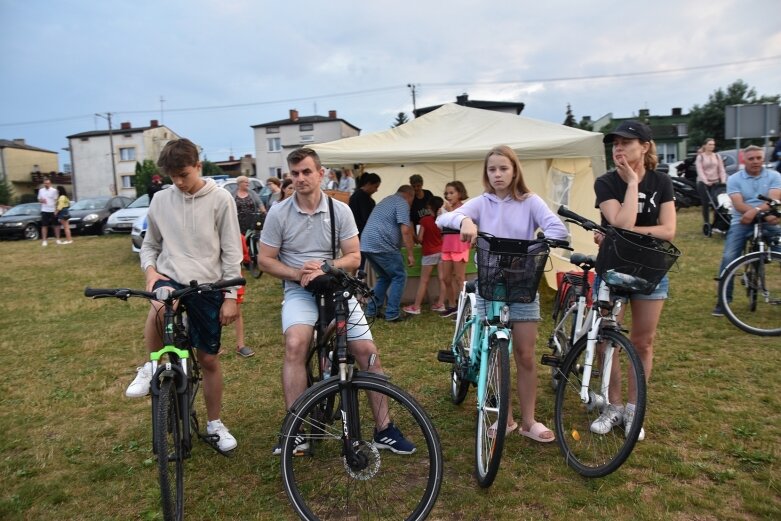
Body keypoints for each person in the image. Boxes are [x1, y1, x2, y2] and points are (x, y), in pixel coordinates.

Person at [258, 147, 415, 455]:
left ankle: (384, 428)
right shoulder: (279, 213)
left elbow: (355, 257)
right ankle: (296, 429)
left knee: (367, 351)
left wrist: (325, 267)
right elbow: (264, 260)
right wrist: (297, 272)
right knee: (295, 344)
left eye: (306, 172)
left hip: (336, 287)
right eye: (295, 173)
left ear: (321, 173)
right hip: (299, 289)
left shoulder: (339, 210)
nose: (301, 179)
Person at [437, 145, 568, 443]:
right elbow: (442, 219)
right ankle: (504, 417)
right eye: (492, 169)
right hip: (490, 282)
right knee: (494, 354)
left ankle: (529, 421)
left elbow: (557, 230)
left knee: (524, 354)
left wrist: (539, 242)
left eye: (503, 168)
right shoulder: (481, 202)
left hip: (522, 283)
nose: (497, 174)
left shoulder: (530, 202)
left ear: (514, 170)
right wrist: (464, 220)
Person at [126, 138, 243, 452]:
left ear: (198, 167)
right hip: (170, 275)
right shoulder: (162, 200)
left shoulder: (221, 199)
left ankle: (215, 423)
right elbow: (150, 245)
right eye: (172, 177)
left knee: (208, 359)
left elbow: (232, 251)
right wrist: (151, 271)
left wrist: (231, 295)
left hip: (208, 283)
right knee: (161, 303)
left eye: (184, 175)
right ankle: (152, 365)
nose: (178, 182)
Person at [591, 121, 677, 441]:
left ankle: (632, 408)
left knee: (643, 342)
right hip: (612, 268)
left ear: (645, 146)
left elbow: (668, 231)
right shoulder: (606, 183)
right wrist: (630, 185)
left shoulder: (661, 182)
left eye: (626, 143)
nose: (618, 148)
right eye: (615, 143)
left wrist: (625, 235)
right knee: (607, 340)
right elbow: (621, 222)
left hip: (651, 270)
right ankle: (612, 406)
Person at [712, 145, 781, 315]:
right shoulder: (734, 178)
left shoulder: (775, 176)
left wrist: (756, 212)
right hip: (741, 222)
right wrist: (757, 213)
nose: (755, 161)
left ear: (763, 158)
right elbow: (737, 203)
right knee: (729, 258)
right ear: (744, 160)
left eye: (758, 158)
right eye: (751, 159)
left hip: (766, 220)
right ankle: (723, 301)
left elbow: (774, 199)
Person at [361, 185, 417, 322]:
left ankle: (371, 310)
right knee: (399, 276)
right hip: (383, 245)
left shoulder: (387, 200)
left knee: (384, 277)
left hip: (367, 243)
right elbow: (405, 230)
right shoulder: (402, 203)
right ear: (409, 195)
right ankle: (392, 313)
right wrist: (410, 253)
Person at [232, 175, 262, 359]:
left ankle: (240, 344)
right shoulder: (232, 197)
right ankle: (212, 345)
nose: (247, 184)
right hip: (209, 276)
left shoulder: (238, 237)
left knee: (236, 310)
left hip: (233, 276)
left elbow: (243, 256)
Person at [403, 196, 446, 315]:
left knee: (424, 281)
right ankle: (440, 304)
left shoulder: (425, 220)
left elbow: (420, 239)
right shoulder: (442, 220)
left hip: (429, 253)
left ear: (429, 207)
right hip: (441, 252)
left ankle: (416, 307)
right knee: (442, 279)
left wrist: (413, 236)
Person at [439, 180, 471, 316]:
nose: (448, 196)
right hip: (446, 246)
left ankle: (465, 308)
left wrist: (449, 211)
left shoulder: (465, 208)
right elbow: (440, 227)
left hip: (460, 246)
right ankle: (453, 306)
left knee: (459, 278)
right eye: (446, 193)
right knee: (446, 278)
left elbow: (462, 224)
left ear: (460, 193)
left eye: (451, 193)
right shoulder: (444, 210)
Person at [695, 138, 727, 230]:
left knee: (717, 203)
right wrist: (706, 181)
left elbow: (721, 169)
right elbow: (700, 170)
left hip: (716, 182)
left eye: (713, 144)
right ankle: (706, 222)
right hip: (703, 183)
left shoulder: (717, 156)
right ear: (705, 145)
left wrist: (723, 180)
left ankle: (717, 223)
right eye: (710, 144)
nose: (712, 146)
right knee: (705, 203)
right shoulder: (700, 157)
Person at [37, 177, 58, 247]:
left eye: (48, 183)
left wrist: (55, 210)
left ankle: (57, 239)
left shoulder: (54, 190)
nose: (47, 184)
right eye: (45, 183)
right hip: (44, 210)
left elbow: (56, 201)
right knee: (44, 225)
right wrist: (42, 201)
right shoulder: (41, 191)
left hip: (52, 210)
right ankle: (44, 241)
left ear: (50, 183)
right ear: (44, 184)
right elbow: (39, 199)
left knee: (55, 225)